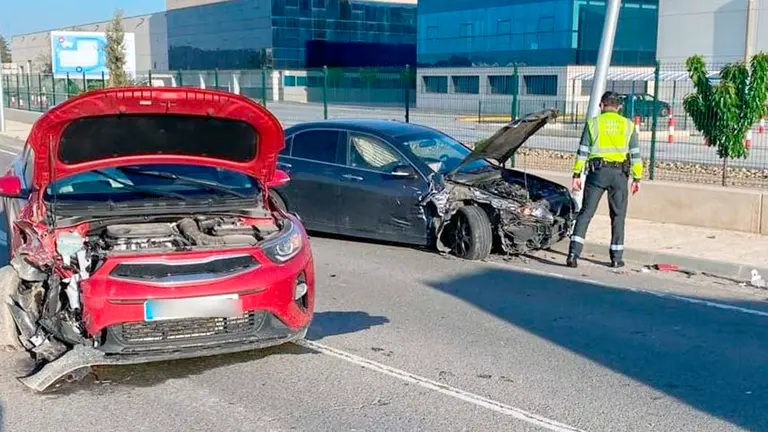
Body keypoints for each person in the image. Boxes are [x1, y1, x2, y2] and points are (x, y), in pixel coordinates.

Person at [566, 91, 642, 269]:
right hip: (619, 175)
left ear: (601, 106)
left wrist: (576, 175)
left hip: (597, 174)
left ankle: (573, 254)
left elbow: (583, 152)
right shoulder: (628, 125)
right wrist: (637, 178)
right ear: (619, 107)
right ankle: (616, 258)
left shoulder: (593, 124)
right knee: (618, 216)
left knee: (586, 213)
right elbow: (636, 155)